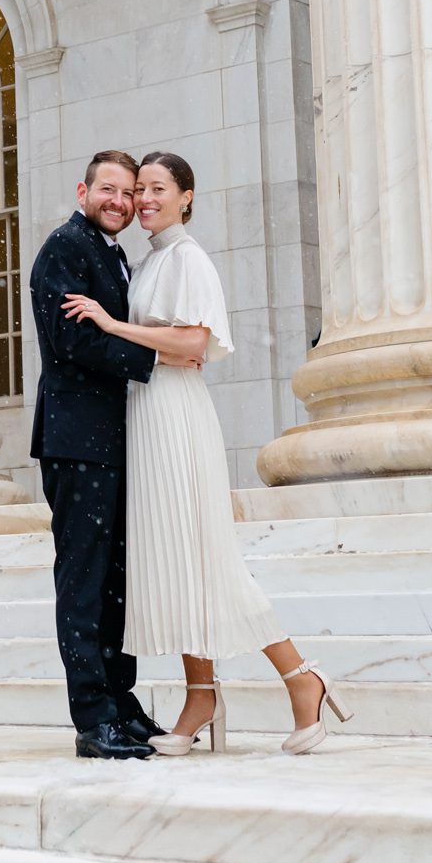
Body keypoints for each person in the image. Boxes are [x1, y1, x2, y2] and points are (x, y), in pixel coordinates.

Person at [62, 151, 352, 756]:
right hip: (146, 415)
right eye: (140, 189)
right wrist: (150, 341)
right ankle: (200, 693)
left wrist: (112, 326)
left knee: (209, 558)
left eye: (157, 189)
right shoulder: (147, 261)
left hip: (177, 418)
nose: (143, 199)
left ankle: (303, 678)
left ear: (187, 197)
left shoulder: (190, 259)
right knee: (179, 561)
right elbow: (170, 343)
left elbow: (194, 341)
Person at [28, 150, 173, 760]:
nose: (119, 201)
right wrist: (156, 358)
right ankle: (93, 718)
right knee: (85, 583)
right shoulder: (65, 247)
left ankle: (122, 700)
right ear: (83, 190)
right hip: (76, 442)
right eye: (108, 190)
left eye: (128, 192)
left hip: (112, 442)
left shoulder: (111, 252)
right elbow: (72, 339)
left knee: (118, 582)